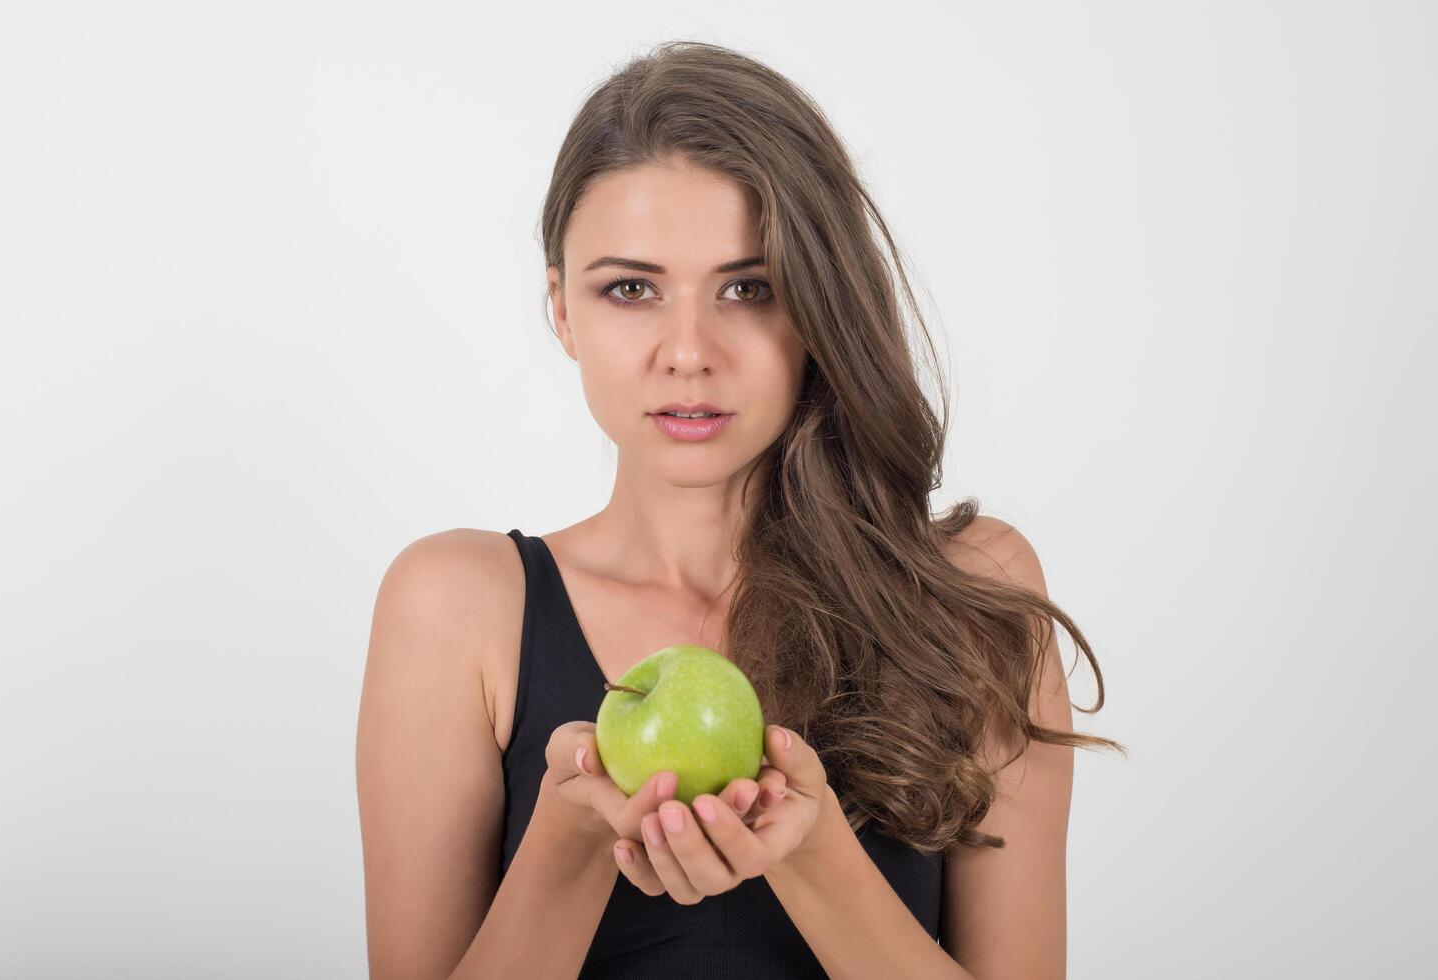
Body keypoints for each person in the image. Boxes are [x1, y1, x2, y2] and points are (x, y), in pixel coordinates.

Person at [356, 40, 1123, 979]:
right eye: (630, 289)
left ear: (822, 304)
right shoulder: (454, 605)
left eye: (748, 288)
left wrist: (810, 856)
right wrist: (570, 839)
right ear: (561, 308)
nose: (689, 351)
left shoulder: (972, 591)